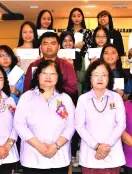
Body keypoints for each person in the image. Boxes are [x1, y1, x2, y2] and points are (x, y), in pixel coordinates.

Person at [14, 60, 75, 174]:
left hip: (59, 158)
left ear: (58, 77)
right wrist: (39, 146)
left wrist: (56, 146)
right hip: (32, 158)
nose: (48, 76)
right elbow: (19, 124)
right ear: (38, 76)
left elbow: (71, 126)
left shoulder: (65, 99)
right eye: (44, 73)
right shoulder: (26, 97)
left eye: (52, 74)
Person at [75, 60, 126, 174]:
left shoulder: (116, 98)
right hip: (90, 155)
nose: (100, 78)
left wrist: (105, 147)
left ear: (109, 78)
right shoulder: (83, 99)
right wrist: (96, 146)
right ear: (90, 78)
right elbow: (79, 126)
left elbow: (121, 124)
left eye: (104, 75)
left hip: (112, 154)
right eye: (96, 75)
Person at [24, 32, 78, 101]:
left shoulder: (67, 65)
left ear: (58, 47)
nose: (49, 47)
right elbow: (27, 89)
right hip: (36, 103)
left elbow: (73, 89)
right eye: (45, 44)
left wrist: (52, 90)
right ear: (40, 47)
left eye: (53, 43)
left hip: (61, 104)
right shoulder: (34, 65)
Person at [59, 31, 81, 167]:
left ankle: (73, 153)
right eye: (65, 41)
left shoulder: (78, 56)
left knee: (74, 123)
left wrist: (72, 68)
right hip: (59, 96)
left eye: (70, 41)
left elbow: (84, 77)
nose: (68, 43)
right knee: (61, 123)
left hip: (74, 96)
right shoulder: (57, 57)